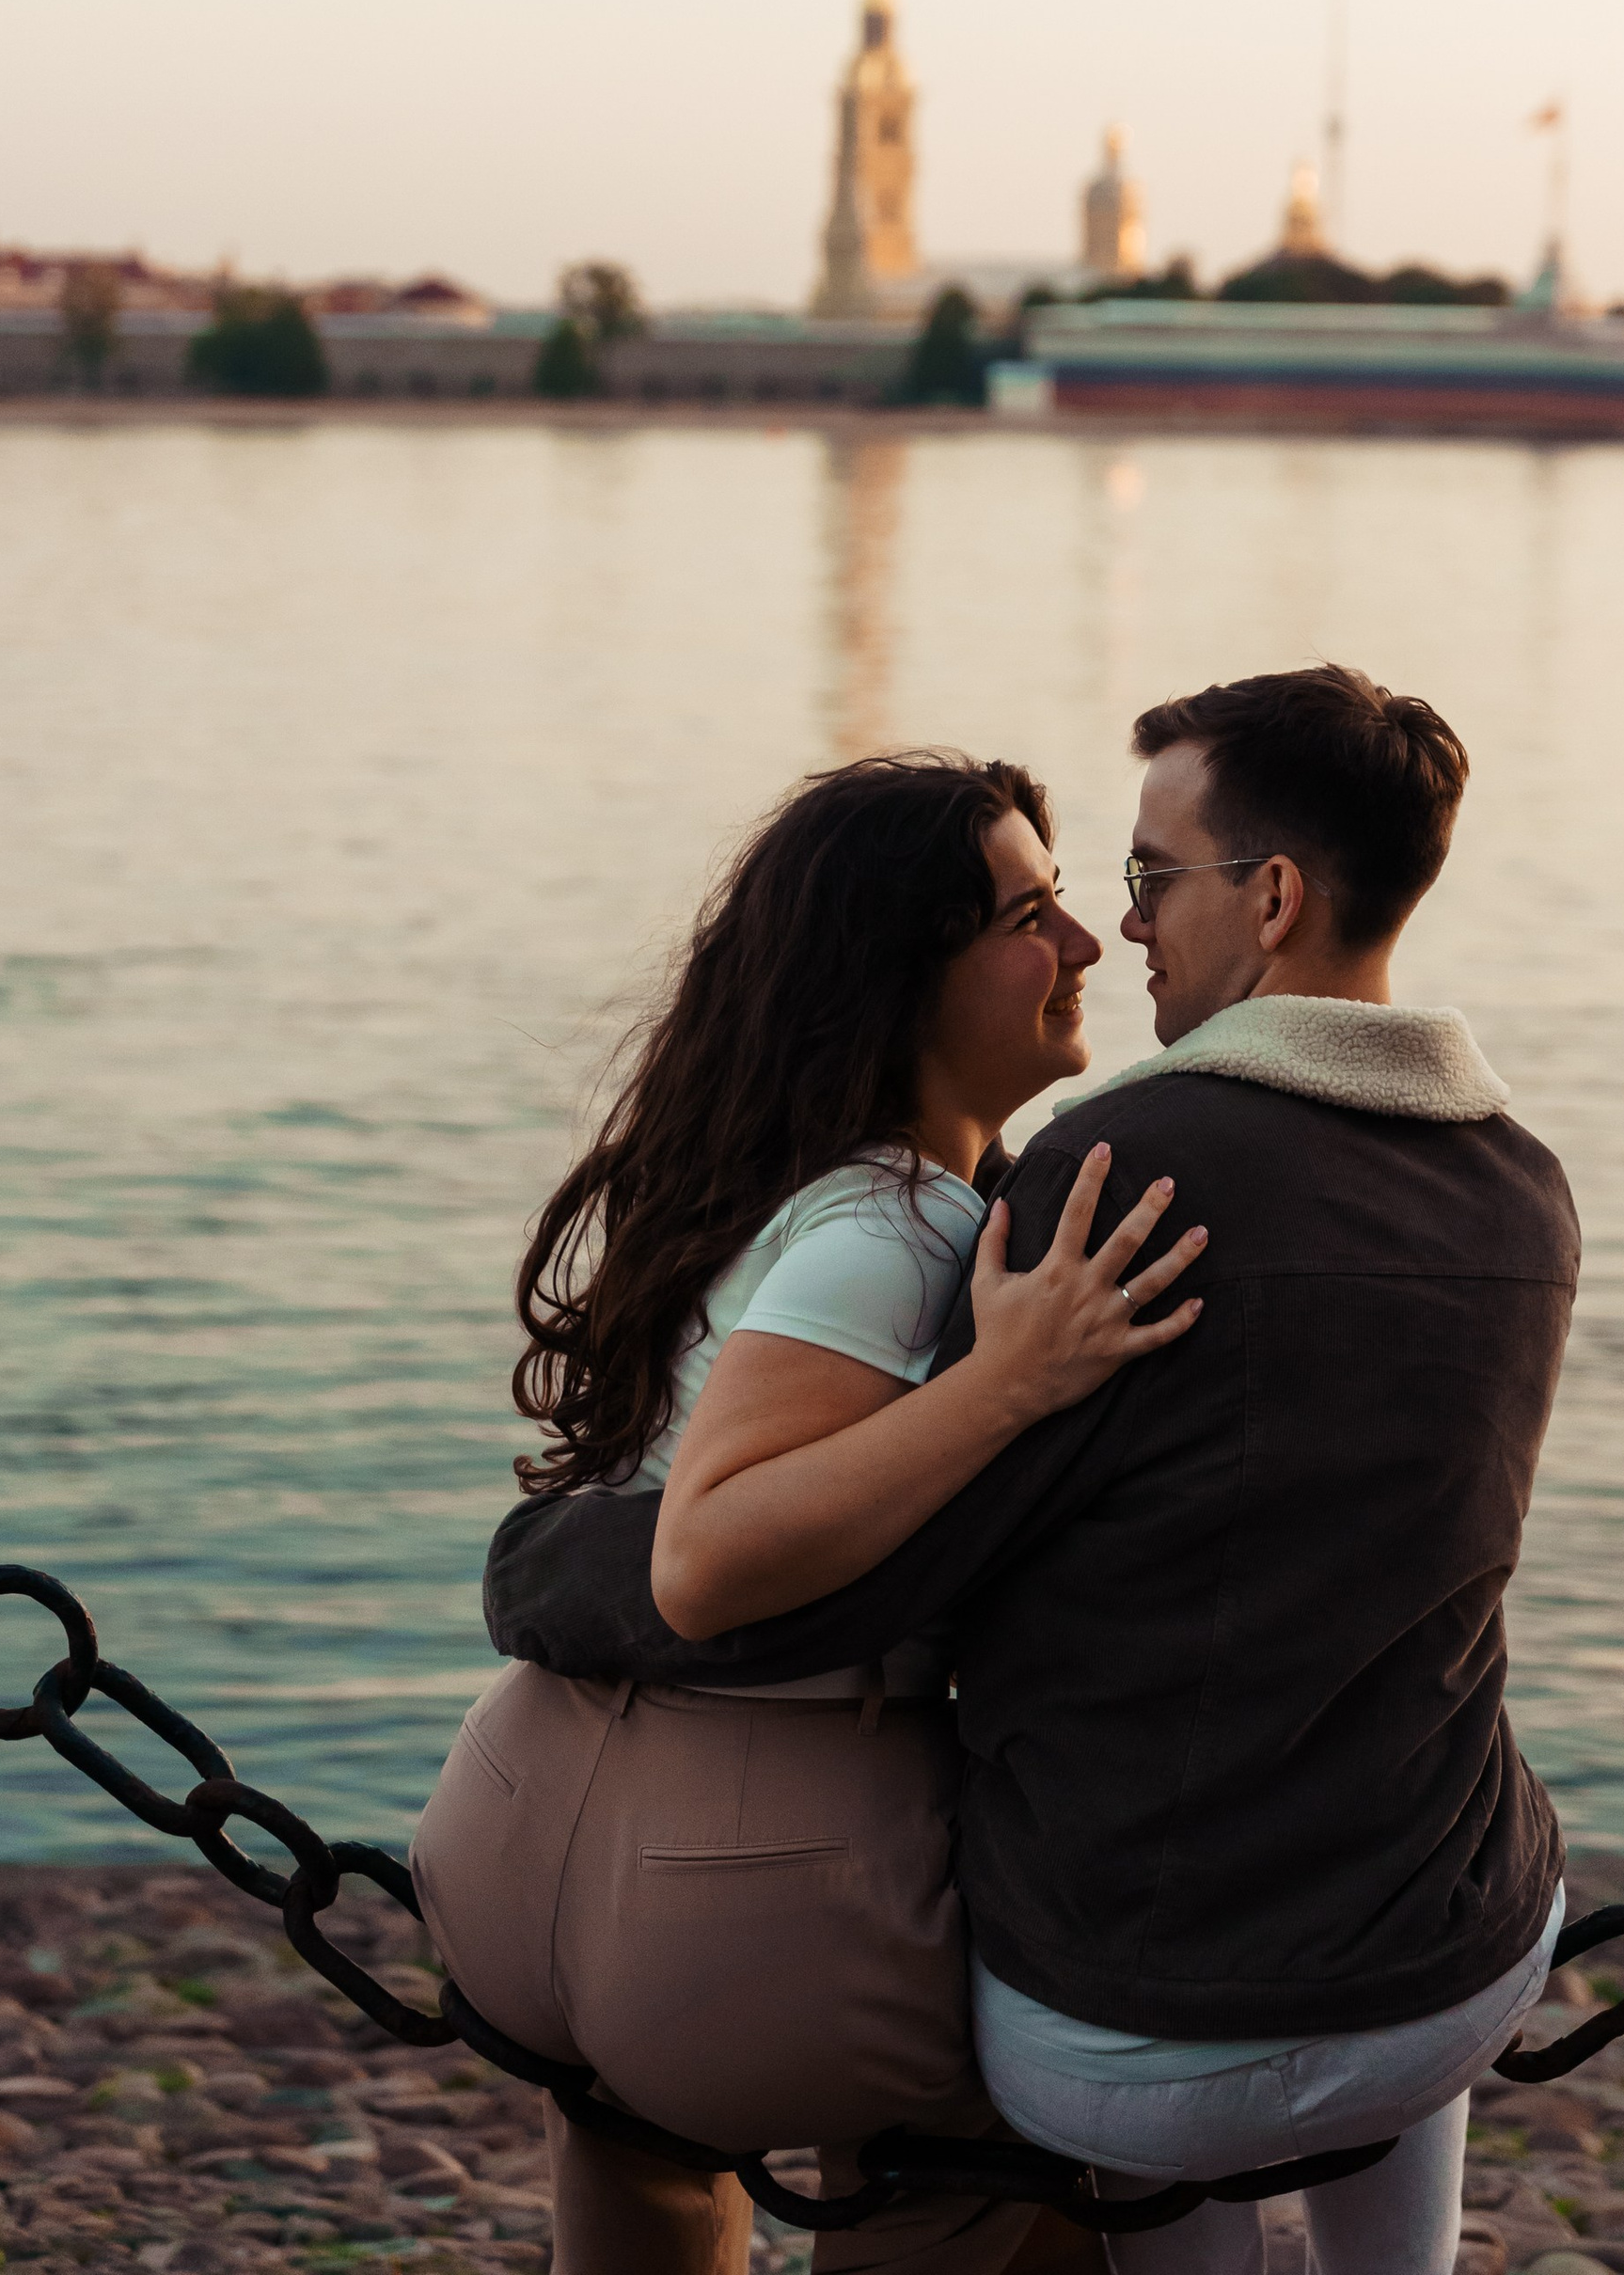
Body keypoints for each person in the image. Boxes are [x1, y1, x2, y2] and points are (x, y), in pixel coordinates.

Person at [486, 665, 1583, 2275]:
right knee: (1413, 1798)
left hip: (1124, 2026)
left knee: (1045, 2118)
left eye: (1146, 877)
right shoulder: (1523, 1184)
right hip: (1448, 1984)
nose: (1112, 928)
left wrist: (550, 1563)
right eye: (1063, 902)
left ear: (1274, 898)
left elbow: (859, 1577)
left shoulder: (1115, 1175)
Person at [410, 750, 1206, 2275]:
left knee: (644, 2168)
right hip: (738, 1891)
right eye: (1027, 917)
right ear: (898, 976)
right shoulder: (899, 1225)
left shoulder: (759, 1190)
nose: (1084, 944)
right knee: (1019, 2138)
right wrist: (1012, 1382)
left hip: (518, 1823)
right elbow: (709, 1558)